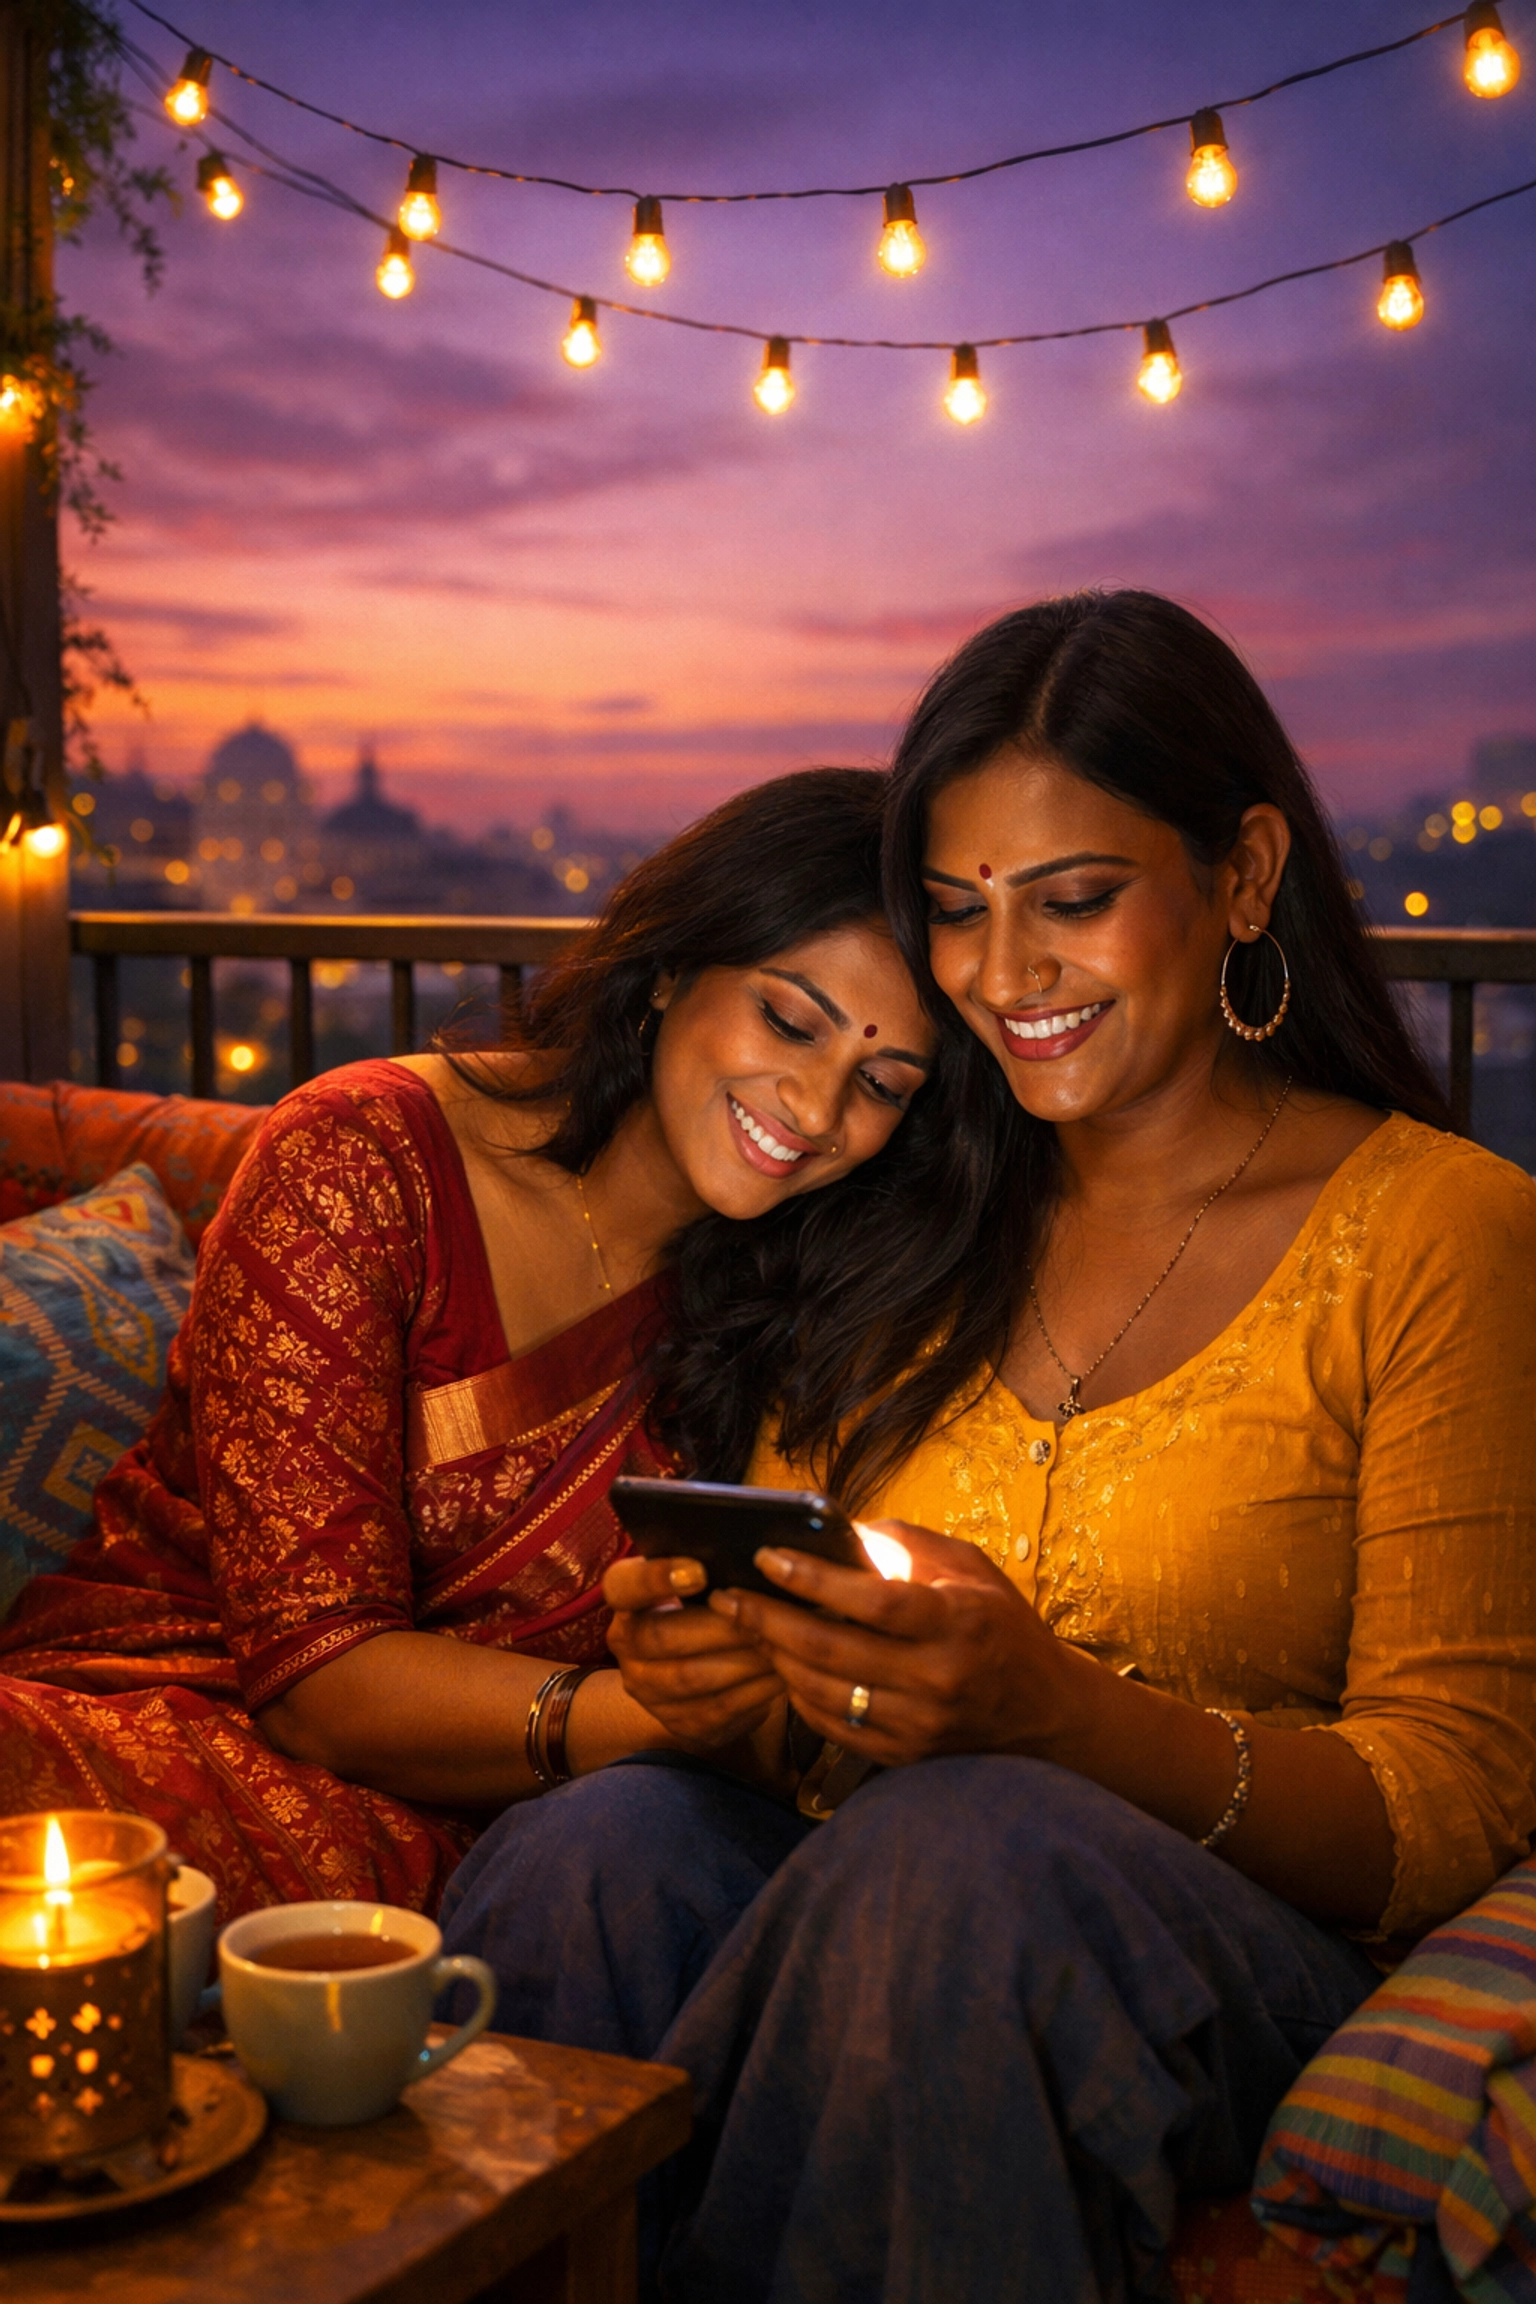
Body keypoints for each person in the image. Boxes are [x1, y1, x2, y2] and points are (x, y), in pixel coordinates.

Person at [440, 594, 1536, 2302]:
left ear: (1242, 876)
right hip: (872, 1881)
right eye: (954, 915)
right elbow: (806, 1654)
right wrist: (735, 1675)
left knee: (962, 1854)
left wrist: (1058, 1716)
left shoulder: (1434, 1229)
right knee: (593, 1854)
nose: (1002, 978)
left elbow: (1452, 1803)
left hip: (1230, 1947)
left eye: (1072, 901)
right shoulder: (911, 1197)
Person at [0, 769, 943, 1918]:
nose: (814, 1105)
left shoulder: (803, 1299)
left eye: (882, 1084)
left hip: (529, 1831)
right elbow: (313, 1680)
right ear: (668, 972)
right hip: (168, 1716)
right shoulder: (358, 1163)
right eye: (789, 1020)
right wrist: (640, 1719)